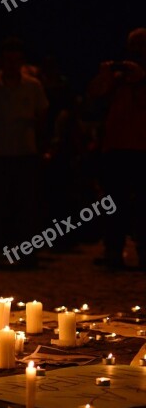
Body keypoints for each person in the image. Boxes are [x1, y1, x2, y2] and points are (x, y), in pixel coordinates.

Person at [0, 37, 49, 268]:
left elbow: (43, 115)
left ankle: (25, 252)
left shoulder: (33, 86)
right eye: (8, 60)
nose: (11, 65)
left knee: (25, 206)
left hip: (25, 153)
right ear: (1, 62)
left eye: (16, 60)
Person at [88, 28, 146, 270]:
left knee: (143, 204)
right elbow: (94, 98)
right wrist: (107, 75)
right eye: (133, 46)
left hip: (142, 148)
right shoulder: (119, 77)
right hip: (115, 148)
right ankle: (113, 250)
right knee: (113, 202)